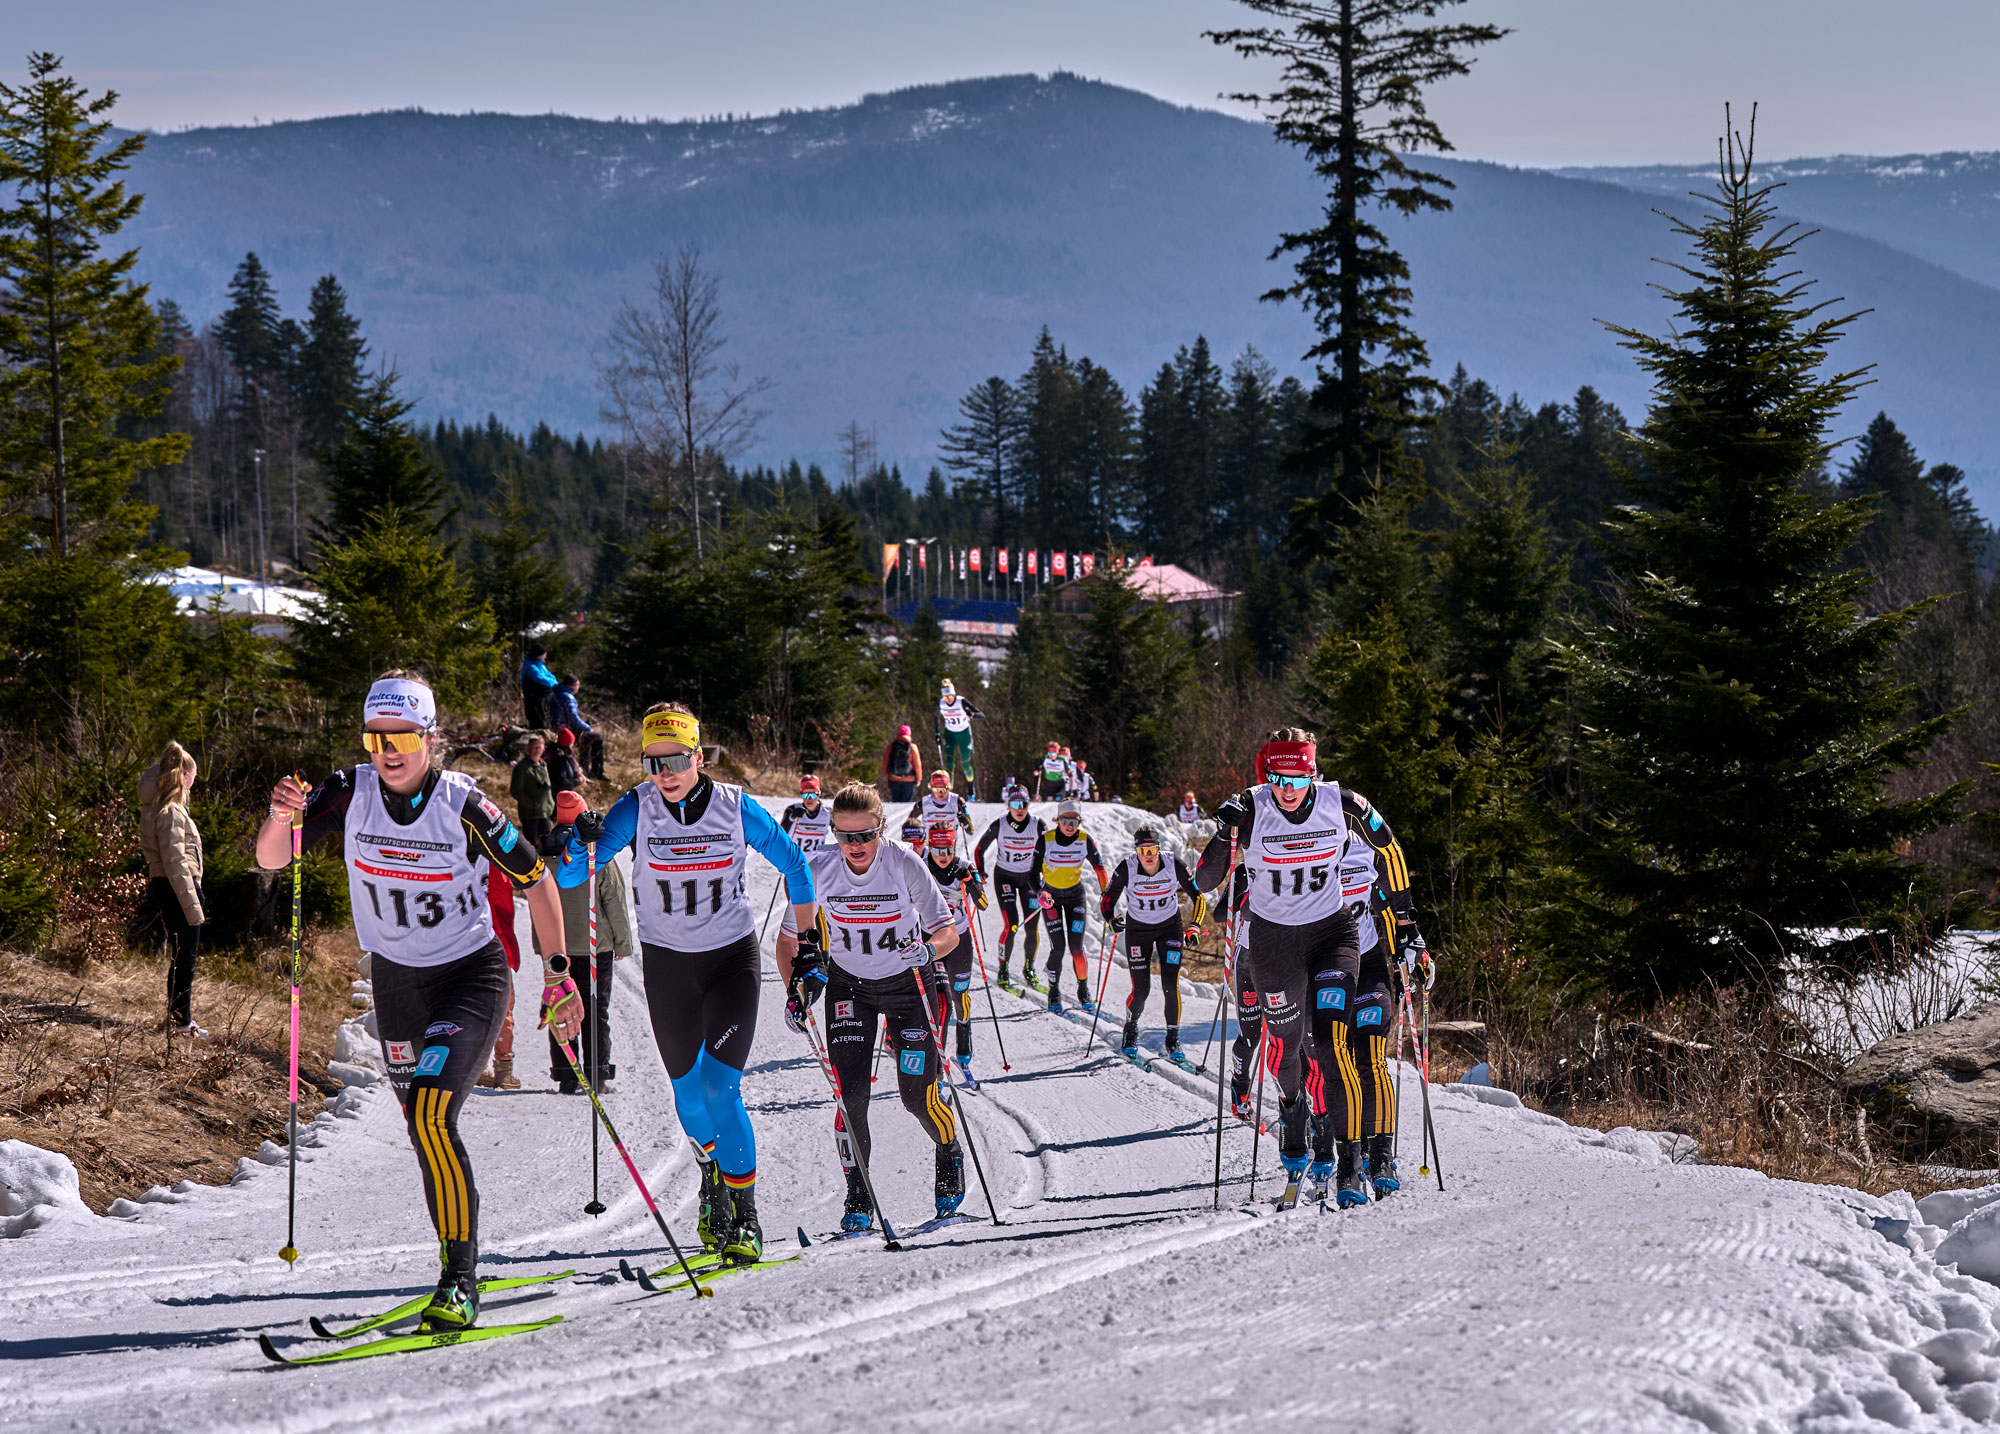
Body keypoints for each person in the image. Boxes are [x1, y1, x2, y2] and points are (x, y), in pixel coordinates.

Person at [257, 671, 582, 1331]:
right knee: (423, 1127)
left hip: (469, 978)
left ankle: (459, 1281)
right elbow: (272, 859)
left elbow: (538, 881)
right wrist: (281, 816)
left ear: (430, 738)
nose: (389, 751)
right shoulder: (349, 791)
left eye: (403, 736)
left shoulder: (465, 805)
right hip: (398, 985)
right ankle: (454, 1258)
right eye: (376, 737)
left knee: (432, 1115)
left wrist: (557, 975)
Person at [557, 702, 816, 1264]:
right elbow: (572, 874)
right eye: (653, 762)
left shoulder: (736, 807)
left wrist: (809, 942)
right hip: (670, 969)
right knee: (688, 1094)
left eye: (675, 759)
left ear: (699, 756)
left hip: (730, 963)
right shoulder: (636, 808)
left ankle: (746, 1217)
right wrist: (579, 837)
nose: (665, 773)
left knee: (720, 1089)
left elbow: (796, 865)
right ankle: (711, 1176)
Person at [776, 783, 964, 1232]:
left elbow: (948, 932)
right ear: (833, 833)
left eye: (865, 835)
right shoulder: (818, 869)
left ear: (881, 828)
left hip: (908, 986)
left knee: (917, 1097)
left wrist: (928, 950)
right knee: (850, 1096)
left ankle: (949, 1152)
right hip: (850, 988)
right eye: (845, 836)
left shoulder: (904, 863)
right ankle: (857, 1193)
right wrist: (793, 993)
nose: (855, 846)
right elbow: (787, 942)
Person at [1196, 727, 1371, 1207]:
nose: (1287, 790)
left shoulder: (1338, 805)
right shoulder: (1252, 810)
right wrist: (1225, 833)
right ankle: (1292, 1112)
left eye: (1297, 779)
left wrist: (1407, 921)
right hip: (1270, 947)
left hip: (1328, 935)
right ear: (1267, 775)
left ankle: (1337, 1149)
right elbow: (1206, 881)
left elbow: (1387, 845)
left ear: (1313, 774)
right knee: (1284, 1047)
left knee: (1326, 1045)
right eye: (1278, 779)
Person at [1328, 787, 1432, 1201]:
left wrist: (1414, 945)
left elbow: (1393, 904)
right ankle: (1344, 1158)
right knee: (1338, 1064)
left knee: (1372, 1059)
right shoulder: (1303, 858)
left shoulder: (1363, 850)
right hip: (1326, 971)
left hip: (1369, 966)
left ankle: (1382, 1158)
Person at [540, 790, 633, 1095]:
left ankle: (567, 1074)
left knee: (561, 1007)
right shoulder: (595, 852)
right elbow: (614, 899)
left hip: (558, 949)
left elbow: (539, 903)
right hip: (596, 946)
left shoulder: (544, 853)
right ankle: (597, 1073)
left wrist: (542, 947)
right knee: (595, 1010)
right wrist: (622, 943)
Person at [1099, 825, 1206, 1066]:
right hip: (1138, 931)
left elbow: (1198, 896)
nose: (1148, 855)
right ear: (1136, 851)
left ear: (1159, 848)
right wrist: (1111, 920)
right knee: (1141, 989)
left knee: (1170, 984)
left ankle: (1173, 1039)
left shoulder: (1173, 864)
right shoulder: (1126, 867)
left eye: (1152, 849)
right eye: (1142, 850)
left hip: (1170, 928)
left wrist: (1194, 926)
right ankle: (1131, 1028)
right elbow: (1107, 900)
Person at [139, 741, 207, 1039]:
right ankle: (181, 1023)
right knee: (185, 957)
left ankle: (178, 1018)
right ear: (183, 776)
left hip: (170, 886)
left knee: (181, 955)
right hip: (178, 887)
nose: (193, 784)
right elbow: (175, 862)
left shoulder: (157, 806)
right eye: (192, 777)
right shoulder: (170, 812)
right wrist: (193, 902)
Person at [920, 821, 988, 1087]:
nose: (943, 855)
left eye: (948, 849)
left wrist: (969, 881)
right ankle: (937, 1069)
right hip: (933, 939)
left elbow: (983, 904)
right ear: (930, 847)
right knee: (941, 1001)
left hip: (959, 940)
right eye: (938, 849)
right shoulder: (920, 866)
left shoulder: (965, 867)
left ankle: (964, 1037)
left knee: (960, 997)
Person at [1029, 798, 1108, 1013]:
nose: (1070, 826)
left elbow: (1100, 869)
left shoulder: (1085, 840)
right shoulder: (1046, 840)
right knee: (1058, 947)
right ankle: (1054, 990)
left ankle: (1083, 989)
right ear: (1058, 820)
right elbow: (1032, 873)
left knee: (1077, 948)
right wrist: (1040, 892)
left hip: (1075, 898)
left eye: (1075, 821)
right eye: (1066, 820)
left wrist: (1106, 895)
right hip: (1051, 898)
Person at [974, 783, 1046, 991]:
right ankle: (1003, 969)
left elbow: (1050, 848)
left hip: (1030, 880)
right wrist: (981, 871)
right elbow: (979, 849)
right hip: (1005, 877)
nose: (1020, 808)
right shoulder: (1000, 825)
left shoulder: (1038, 824)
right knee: (1012, 924)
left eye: (1024, 803)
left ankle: (1029, 968)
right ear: (1008, 805)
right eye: (1015, 804)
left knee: (1032, 927)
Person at [475, 859, 525, 1091]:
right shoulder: (497, 867)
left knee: (472, 1006)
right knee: (502, 1007)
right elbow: (503, 911)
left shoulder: (460, 861)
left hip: (465, 945)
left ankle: (475, 1066)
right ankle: (503, 1069)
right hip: (496, 946)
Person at [546, 674, 606, 782]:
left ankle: (586, 770)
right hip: (566, 731)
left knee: (587, 738)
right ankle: (594, 771)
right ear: (572, 685)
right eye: (577, 685)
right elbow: (573, 718)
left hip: (555, 729)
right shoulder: (567, 697)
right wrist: (587, 727)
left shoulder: (554, 695)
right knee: (595, 737)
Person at [904, 770, 973, 854]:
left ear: (949, 787)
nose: (940, 792)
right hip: (928, 848)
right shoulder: (923, 803)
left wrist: (964, 820)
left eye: (944, 788)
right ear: (931, 787)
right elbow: (907, 826)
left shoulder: (957, 801)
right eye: (936, 788)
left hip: (949, 849)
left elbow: (970, 831)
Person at [934, 679, 982, 799]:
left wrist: (971, 714)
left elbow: (981, 714)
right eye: (946, 697)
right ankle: (949, 794)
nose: (948, 699)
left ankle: (971, 792)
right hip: (949, 734)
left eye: (950, 696)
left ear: (954, 694)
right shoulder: (941, 703)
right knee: (949, 765)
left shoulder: (961, 702)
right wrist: (937, 734)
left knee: (965, 765)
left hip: (964, 735)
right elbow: (935, 717)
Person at [510, 734, 555, 848]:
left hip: (545, 812)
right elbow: (516, 791)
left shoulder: (543, 765)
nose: (537, 750)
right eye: (535, 747)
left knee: (547, 846)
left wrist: (551, 805)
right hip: (530, 815)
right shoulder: (522, 767)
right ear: (529, 748)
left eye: (540, 747)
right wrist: (532, 804)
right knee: (532, 847)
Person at [781, 775, 831, 853]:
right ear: (801, 794)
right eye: (805, 795)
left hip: (817, 859)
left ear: (819, 794)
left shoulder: (828, 812)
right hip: (795, 858)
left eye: (813, 795)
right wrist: (792, 817)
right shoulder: (792, 810)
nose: (809, 798)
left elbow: (841, 831)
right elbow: (781, 833)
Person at [880, 724, 923, 803]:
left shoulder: (892, 746)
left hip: (893, 778)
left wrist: (885, 773)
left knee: (896, 803)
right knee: (906, 804)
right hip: (908, 779)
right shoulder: (912, 747)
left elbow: (885, 760)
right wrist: (919, 778)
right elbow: (917, 765)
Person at [520, 642, 558, 730]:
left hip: (542, 698)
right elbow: (543, 680)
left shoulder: (540, 664)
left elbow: (550, 676)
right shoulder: (530, 667)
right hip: (533, 699)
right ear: (538, 655)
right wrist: (553, 682)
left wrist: (553, 681)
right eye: (544, 654)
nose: (545, 656)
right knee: (538, 722)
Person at [548, 727, 583, 797]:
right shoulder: (558, 759)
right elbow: (562, 783)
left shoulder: (564, 755)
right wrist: (578, 781)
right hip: (559, 796)